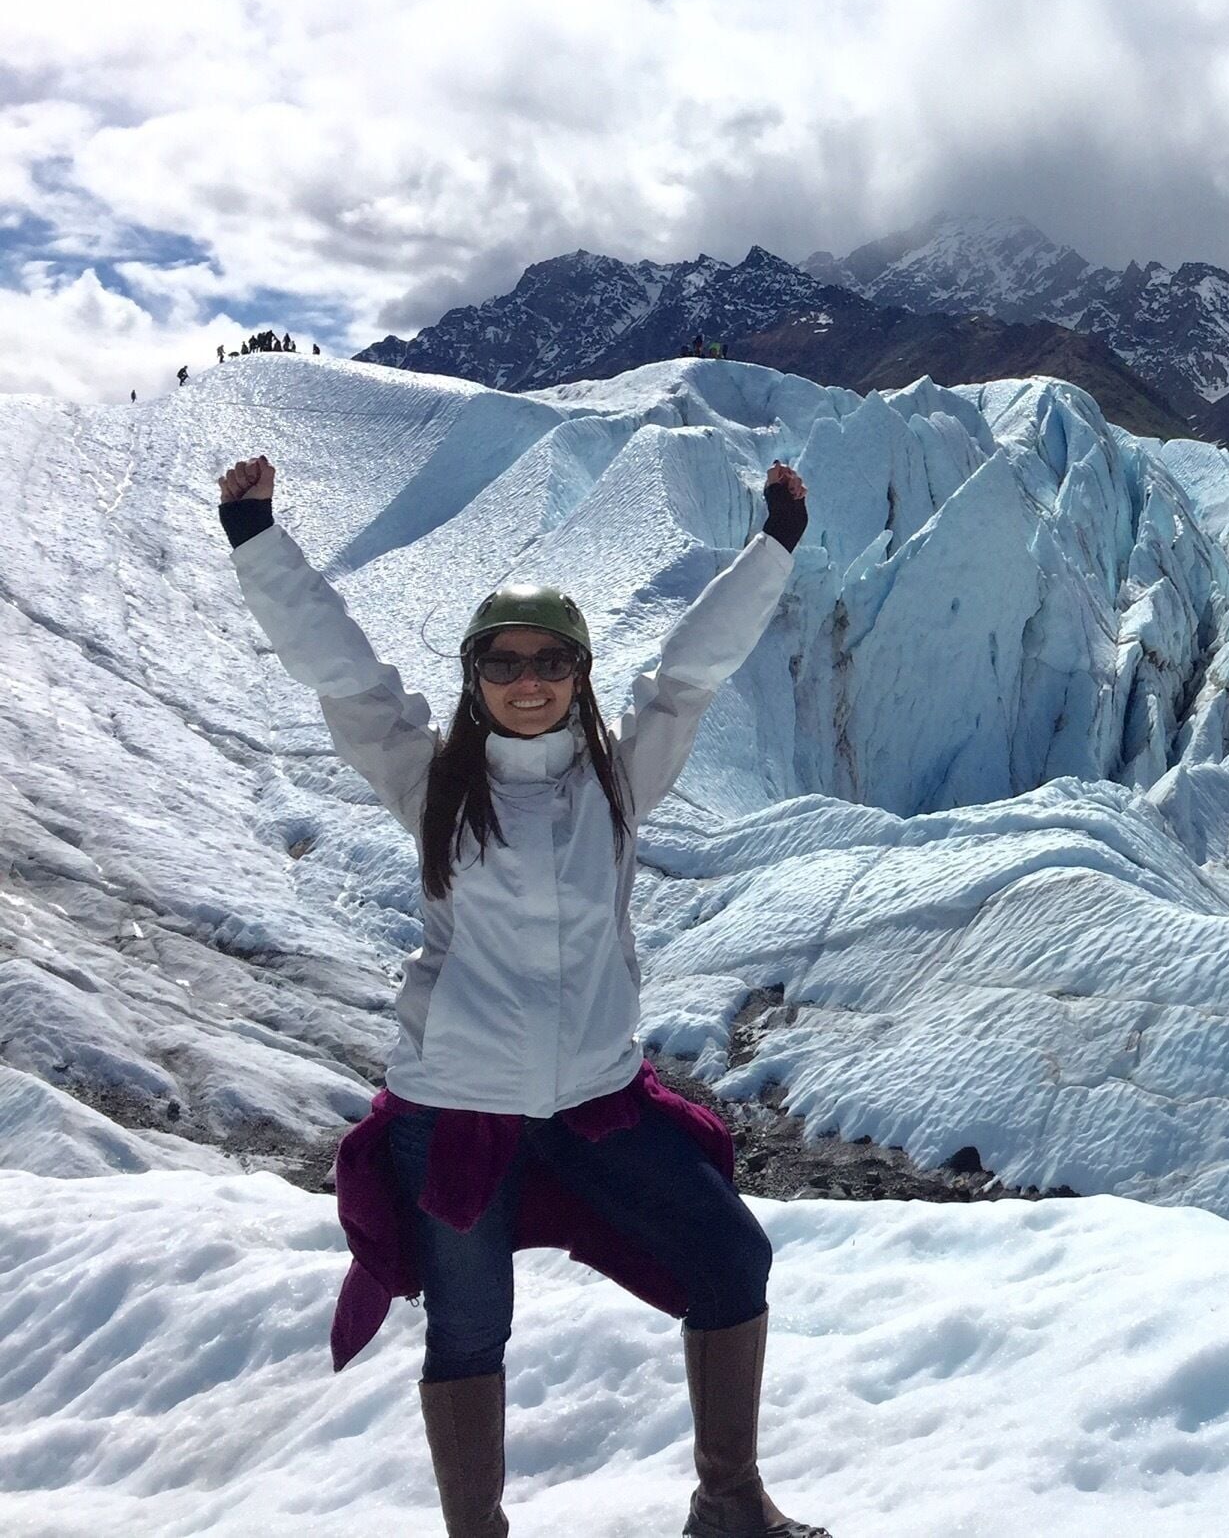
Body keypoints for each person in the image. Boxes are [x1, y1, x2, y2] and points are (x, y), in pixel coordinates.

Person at [217, 452, 826, 1538]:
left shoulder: (616, 782)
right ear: (475, 676)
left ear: (580, 674)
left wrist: (773, 544)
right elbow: (348, 675)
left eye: (552, 660)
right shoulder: (433, 779)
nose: (529, 678)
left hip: (596, 1098)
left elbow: (689, 671)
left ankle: (729, 1501)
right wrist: (256, 537)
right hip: (459, 1109)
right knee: (468, 1330)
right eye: (504, 662)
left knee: (731, 1256)